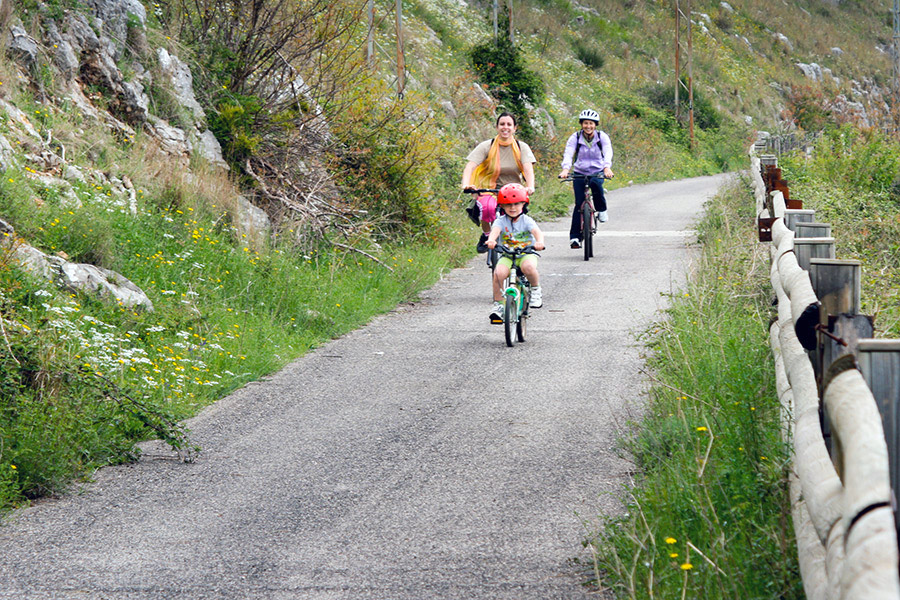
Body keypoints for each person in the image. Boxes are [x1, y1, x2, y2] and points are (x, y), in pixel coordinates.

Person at [462, 112, 537, 253]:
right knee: (488, 208)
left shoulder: (521, 147)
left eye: (509, 124)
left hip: (513, 190)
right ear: (497, 127)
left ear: (515, 128)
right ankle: (486, 235)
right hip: (488, 189)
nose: (505, 127)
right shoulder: (487, 146)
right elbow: (470, 166)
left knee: (515, 216)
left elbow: (528, 169)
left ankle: (519, 249)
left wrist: (530, 186)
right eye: (502, 124)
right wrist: (466, 184)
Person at [485, 183, 545, 323]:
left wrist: (539, 242)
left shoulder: (527, 220)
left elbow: (537, 233)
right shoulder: (500, 221)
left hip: (526, 254)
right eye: (508, 205)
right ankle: (499, 305)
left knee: (528, 268)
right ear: (502, 206)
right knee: (498, 273)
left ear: (524, 204)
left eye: (517, 204)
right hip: (507, 255)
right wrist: (491, 241)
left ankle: (536, 290)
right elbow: (494, 232)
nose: (512, 208)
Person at [558, 109, 614, 249]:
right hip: (580, 172)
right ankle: (575, 237)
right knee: (579, 204)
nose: (588, 126)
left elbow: (608, 152)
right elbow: (569, 153)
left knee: (596, 184)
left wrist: (607, 168)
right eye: (585, 123)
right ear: (581, 124)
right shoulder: (575, 137)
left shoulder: (602, 137)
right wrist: (566, 169)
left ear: (595, 125)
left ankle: (601, 209)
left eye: (591, 123)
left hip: (597, 171)